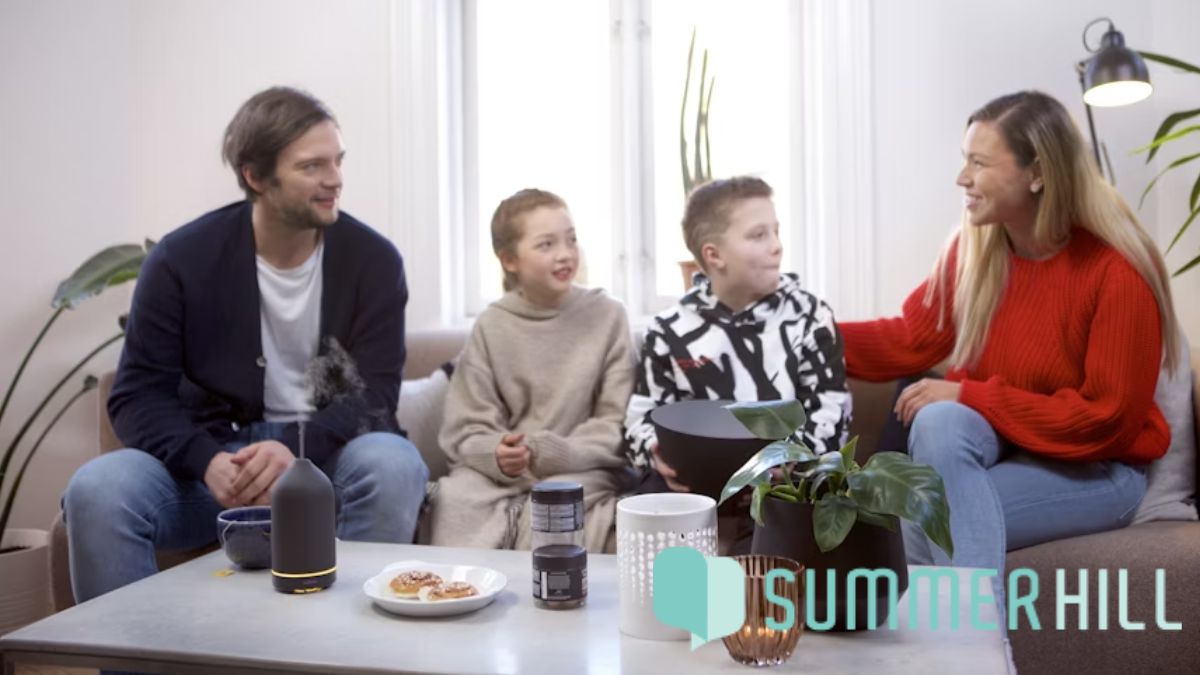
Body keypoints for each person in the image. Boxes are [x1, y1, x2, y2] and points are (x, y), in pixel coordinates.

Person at [62, 87, 429, 603]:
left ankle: (348, 656)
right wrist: (206, 459)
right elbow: (137, 395)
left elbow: (373, 396)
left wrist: (295, 449)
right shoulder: (179, 260)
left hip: (327, 464)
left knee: (393, 465)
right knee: (98, 490)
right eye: (312, 166)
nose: (335, 179)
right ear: (256, 177)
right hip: (212, 470)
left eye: (338, 161)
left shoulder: (373, 261)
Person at [838, 90, 1181, 623]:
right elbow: (911, 338)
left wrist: (972, 392)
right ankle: (967, 648)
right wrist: (804, 330)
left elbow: (1107, 422)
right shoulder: (976, 252)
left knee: (922, 511)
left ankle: (964, 649)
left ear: (1037, 172)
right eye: (964, 160)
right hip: (1005, 447)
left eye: (979, 163)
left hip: (1099, 470)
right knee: (938, 419)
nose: (961, 178)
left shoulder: (1117, 273)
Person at [430, 189, 635, 552]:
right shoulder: (491, 325)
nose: (565, 254)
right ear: (510, 259)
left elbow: (615, 422)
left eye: (571, 239)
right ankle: (463, 596)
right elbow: (466, 427)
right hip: (500, 476)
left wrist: (556, 452)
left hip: (583, 466)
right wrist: (497, 454)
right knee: (456, 496)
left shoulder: (609, 315)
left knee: (557, 504)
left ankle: (549, 600)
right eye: (546, 245)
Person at [623, 176, 852, 499]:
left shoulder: (810, 317)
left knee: (786, 513)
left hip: (783, 487)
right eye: (759, 235)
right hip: (693, 487)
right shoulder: (668, 330)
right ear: (714, 255)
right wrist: (654, 452)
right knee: (651, 498)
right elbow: (641, 418)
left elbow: (831, 414)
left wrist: (783, 465)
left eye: (776, 231)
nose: (777, 245)